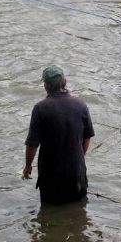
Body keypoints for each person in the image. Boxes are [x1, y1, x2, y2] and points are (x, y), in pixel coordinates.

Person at [23, 66, 95, 205]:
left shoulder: (40, 108)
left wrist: (28, 166)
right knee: (79, 209)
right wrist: (79, 157)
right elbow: (87, 137)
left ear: (46, 86)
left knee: (49, 212)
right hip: (77, 174)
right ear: (65, 82)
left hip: (51, 177)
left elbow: (32, 144)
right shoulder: (81, 105)